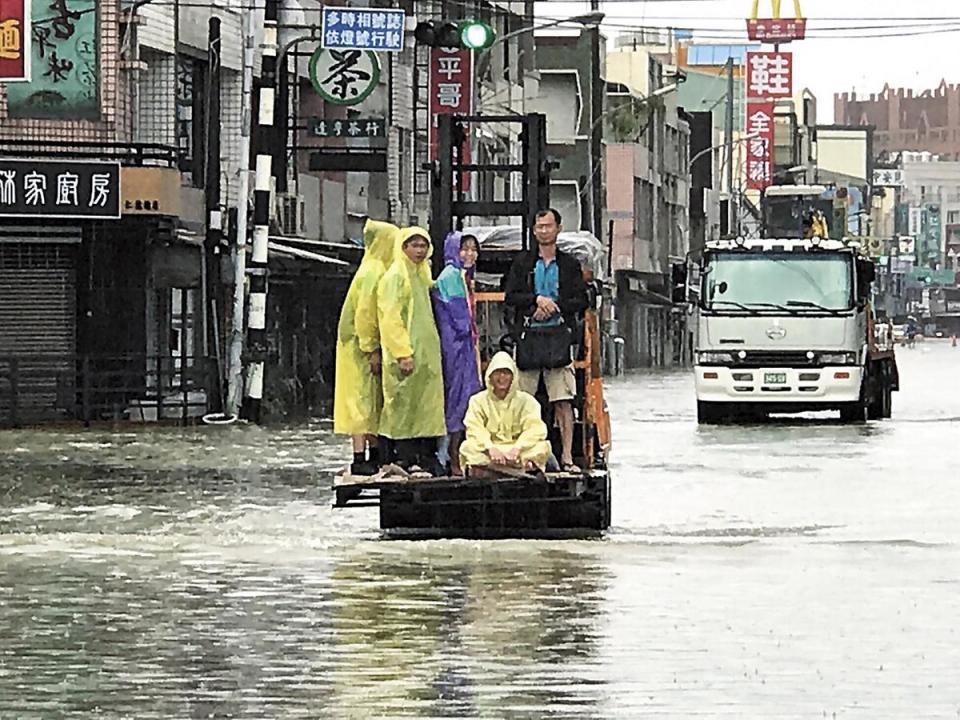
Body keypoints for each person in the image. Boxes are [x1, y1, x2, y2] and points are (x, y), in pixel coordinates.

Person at [504, 208, 588, 473]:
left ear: (558, 228)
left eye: (548, 226)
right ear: (533, 230)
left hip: (559, 339)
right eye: (539, 227)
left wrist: (555, 305)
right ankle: (520, 455)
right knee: (522, 400)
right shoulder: (523, 263)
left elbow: (581, 299)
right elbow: (511, 296)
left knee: (563, 400)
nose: (543, 231)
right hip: (529, 338)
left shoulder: (570, 265)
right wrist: (535, 302)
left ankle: (566, 457)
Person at [377, 226, 446, 472]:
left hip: (426, 353)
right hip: (407, 355)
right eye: (414, 245)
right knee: (403, 405)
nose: (419, 250)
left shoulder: (422, 272)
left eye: (423, 245)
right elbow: (390, 317)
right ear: (403, 247)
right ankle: (402, 456)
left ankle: (425, 456)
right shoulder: (395, 276)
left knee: (426, 405)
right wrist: (402, 352)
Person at [333, 219, 397, 476]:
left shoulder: (370, 268)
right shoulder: (373, 272)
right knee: (361, 403)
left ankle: (371, 455)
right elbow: (366, 316)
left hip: (357, 348)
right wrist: (372, 348)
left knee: (368, 402)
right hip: (360, 350)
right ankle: (360, 458)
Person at [431, 231, 483, 476]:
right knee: (458, 401)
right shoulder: (451, 277)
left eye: (473, 249)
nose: (469, 254)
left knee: (463, 400)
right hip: (456, 348)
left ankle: (456, 457)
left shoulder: (461, 276)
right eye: (465, 249)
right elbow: (461, 320)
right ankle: (451, 459)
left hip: (461, 347)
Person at [459, 351, 551, 476]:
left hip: (517, 451)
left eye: (506, 373)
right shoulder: (477, 400)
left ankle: (495, 469)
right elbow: (474, 429)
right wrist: (490, 448)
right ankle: (517, 470)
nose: (501, 377)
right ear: (490, 375)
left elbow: (535, 429)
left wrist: (517, 448)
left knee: (543, 447)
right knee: (467, 447)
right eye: (497, 372)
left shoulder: (527, 401)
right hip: (491, 452)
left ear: (513, 376)